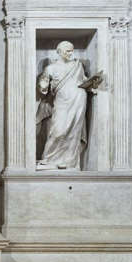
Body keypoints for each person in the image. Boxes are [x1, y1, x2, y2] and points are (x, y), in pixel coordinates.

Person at [36, 41, 100, 171]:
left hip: (79, 100)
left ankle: (69, 162)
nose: (71, 53)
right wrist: (42, 85)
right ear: (59, 51)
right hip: (62, 102)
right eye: (67, 51)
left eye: (72, 51)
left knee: (74, 132)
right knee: (58, 130)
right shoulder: (51, 68)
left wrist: (92, 84)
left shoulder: (78, 66)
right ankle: (48, 159)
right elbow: (44, 86)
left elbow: (83, 81)